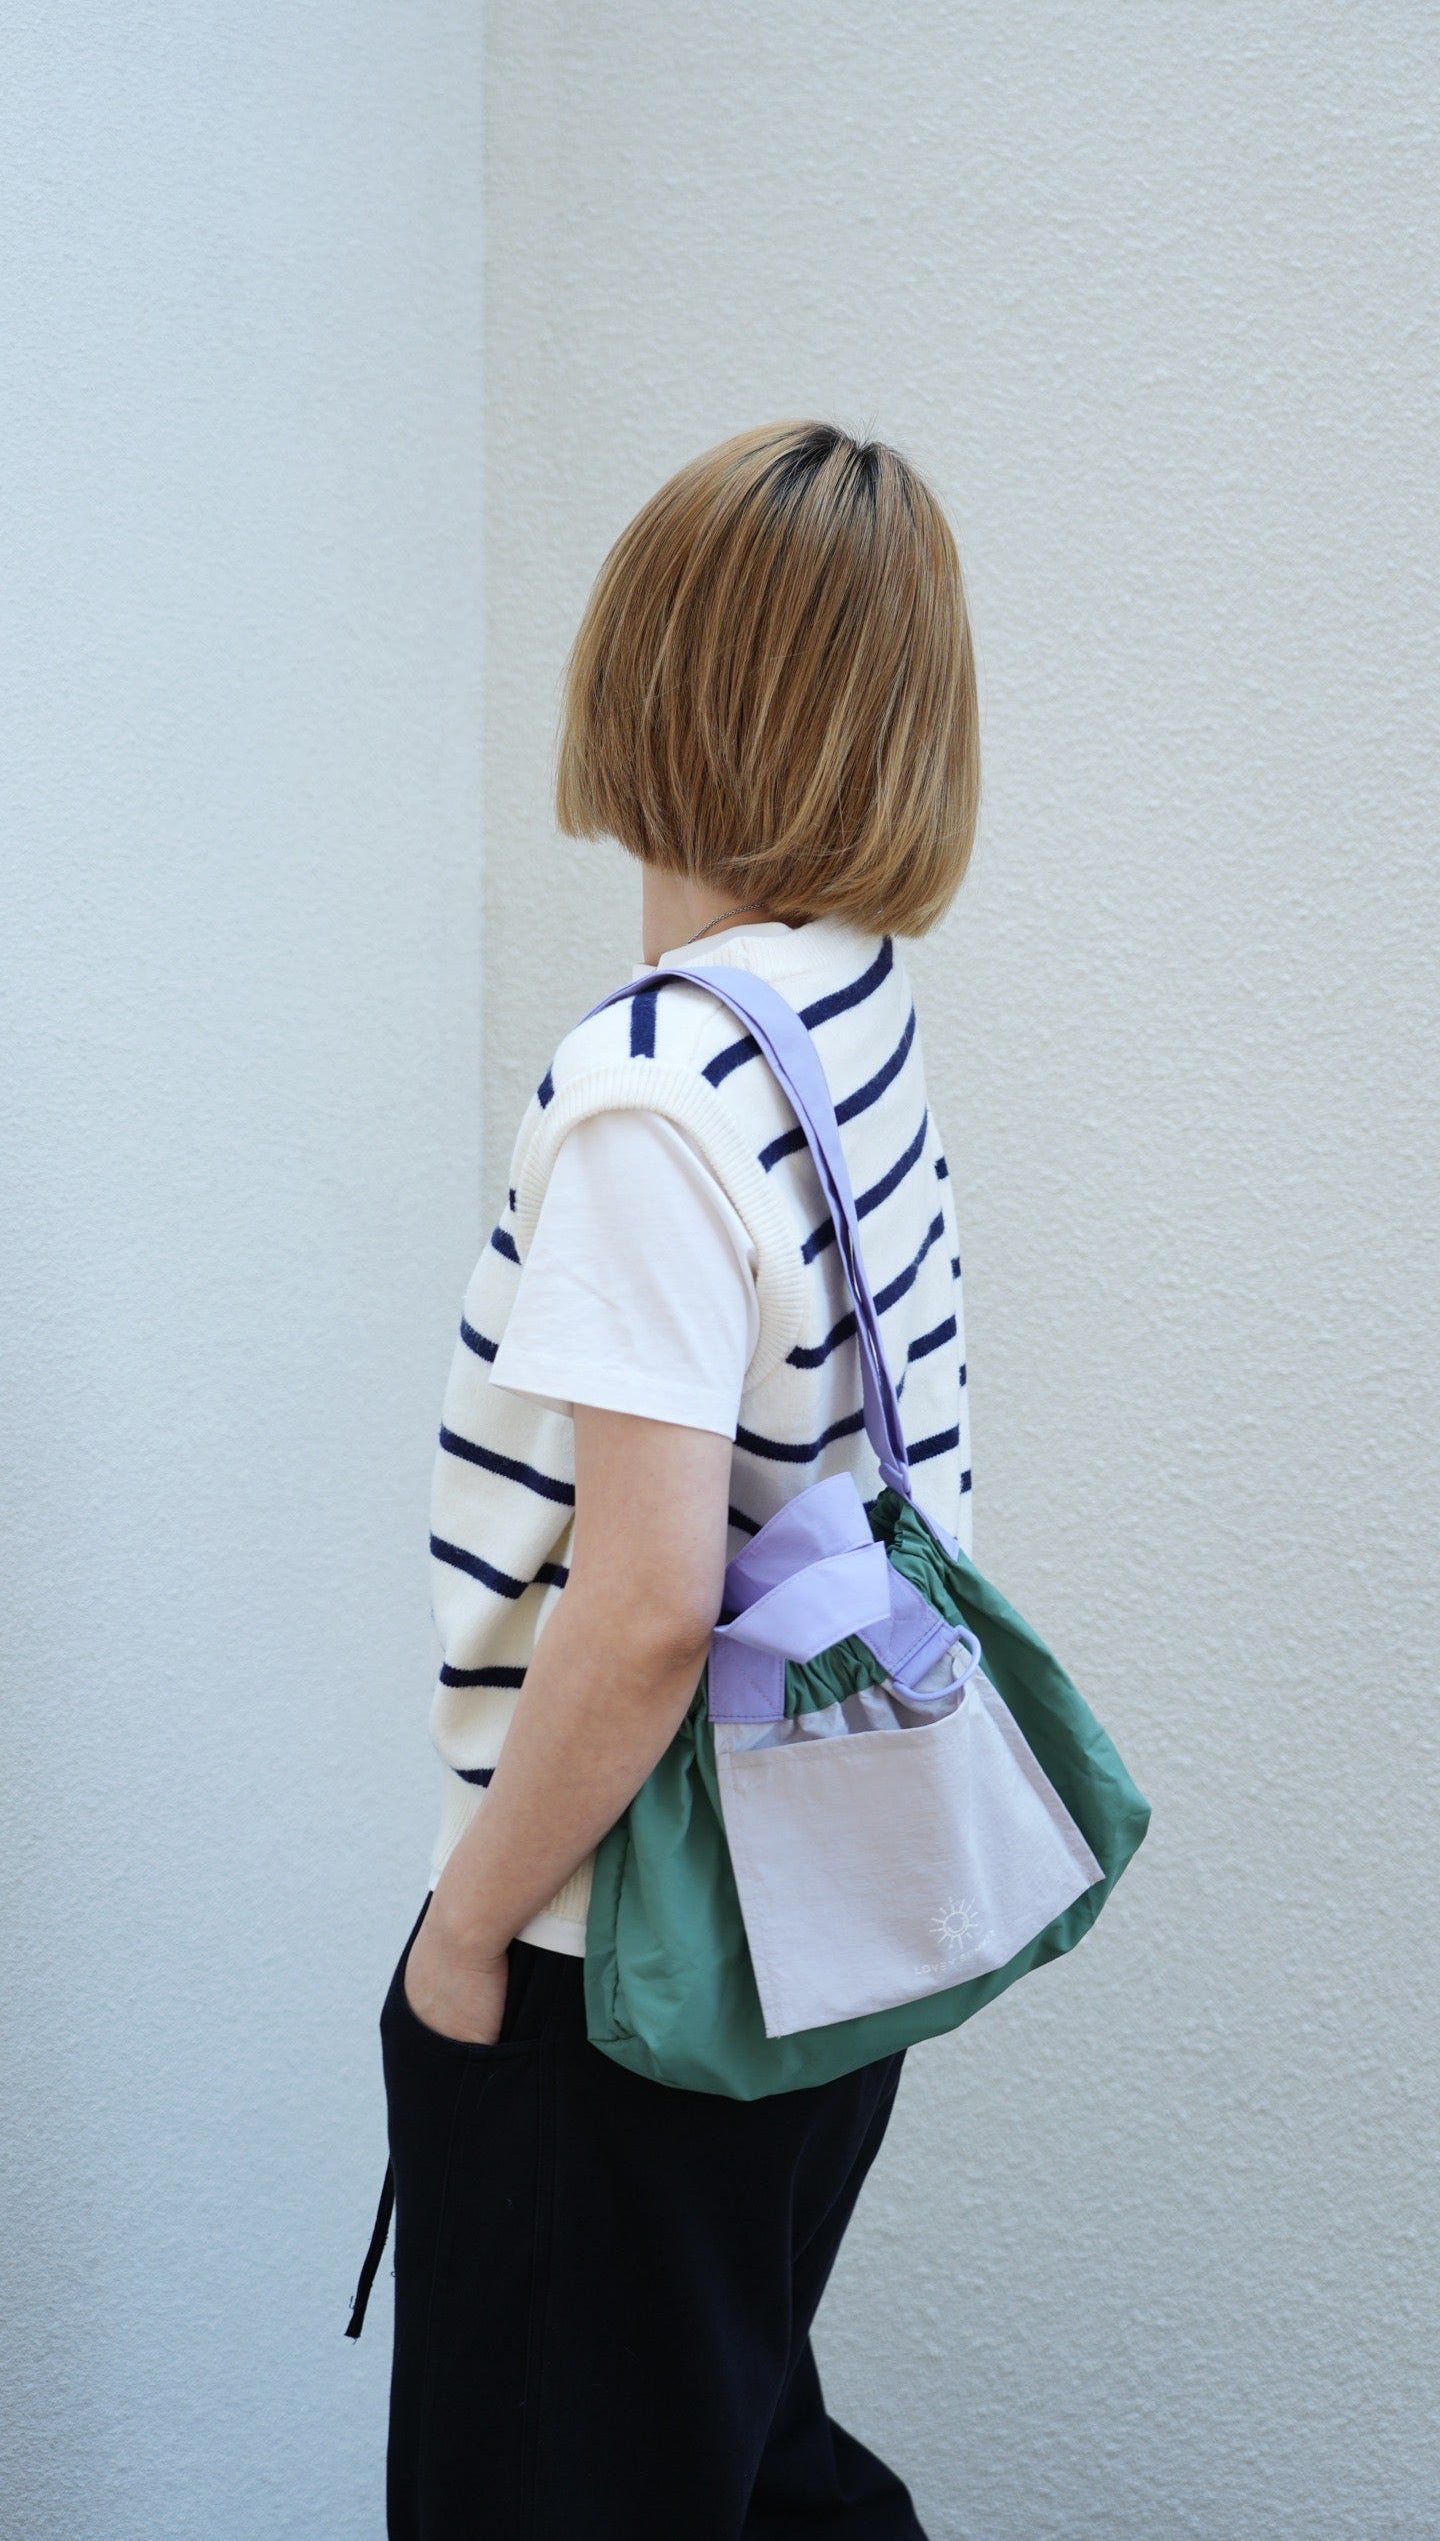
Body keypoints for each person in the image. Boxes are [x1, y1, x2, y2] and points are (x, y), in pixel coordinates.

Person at [372, 421, 980, 2539]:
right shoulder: (843, 1018)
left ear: (657, 680)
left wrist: (459, 1946)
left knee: (551, 2484)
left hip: (609, 1955)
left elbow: (636, 1612)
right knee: (734, 2454)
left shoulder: (651, 1091)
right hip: (818, 1923)